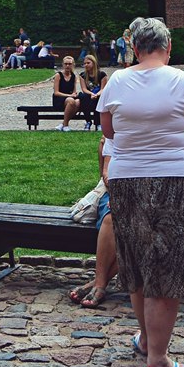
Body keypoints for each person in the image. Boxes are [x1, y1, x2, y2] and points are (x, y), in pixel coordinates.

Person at [98, 16, 184, 367]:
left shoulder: (117, 81)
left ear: (134, 48)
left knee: (137, 262)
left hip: (127, 178)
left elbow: (109, 130)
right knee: (167, 267)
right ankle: (158, 360)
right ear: (168, 47)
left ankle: (147, 339)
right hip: (176, 178)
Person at [70, 132, 120, 308]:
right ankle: (99, 283)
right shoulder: (114, 133)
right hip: (117, 188)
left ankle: (99, 282)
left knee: (146, 224)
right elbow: (107, 173)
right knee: (113, 217)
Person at [52, 56, 80, 130]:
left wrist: (74, 94)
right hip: (59, 98)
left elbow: (74, 90)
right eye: (66, 64)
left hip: (69, 98)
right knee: (71, 100)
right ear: (63, 64)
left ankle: (63, 123)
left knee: (78, 102)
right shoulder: (58, 75)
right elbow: (56, 92)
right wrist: (69, 95)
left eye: (70, 64)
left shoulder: (73, 76)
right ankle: (66, 125)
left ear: (73, 65)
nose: (67, 66)